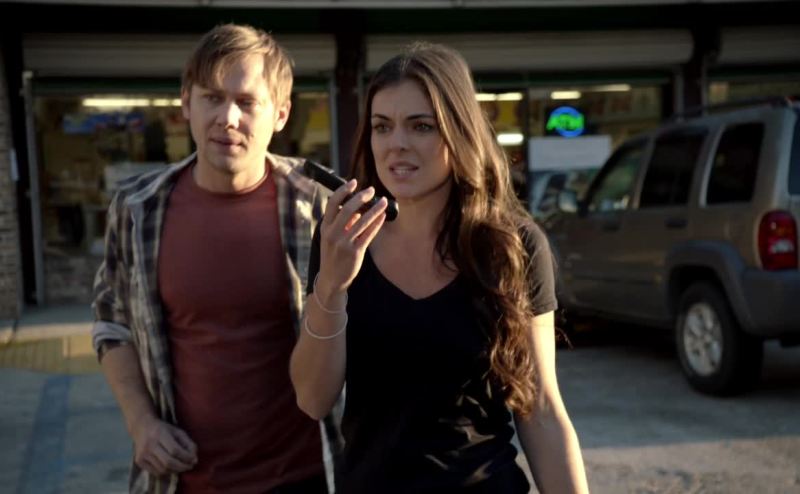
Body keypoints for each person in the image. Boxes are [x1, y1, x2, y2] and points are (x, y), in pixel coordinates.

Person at [290, 42, 589, 493]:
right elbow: (313, 399)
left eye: (421, 126)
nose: (397, 144)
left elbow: (542, 409)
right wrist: (331, 286)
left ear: (459, 131)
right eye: (382, 126)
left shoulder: (513, 246)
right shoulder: (342, 239)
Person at [92, 24, 332, 494]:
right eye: (212, 98)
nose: (228, 118)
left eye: (247, 102)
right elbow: (111, 323)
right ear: (186, 103)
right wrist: (142, 423)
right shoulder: (138, 210)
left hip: (307, 477)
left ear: (281, 114)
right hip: (182, 481)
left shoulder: (319, 209)